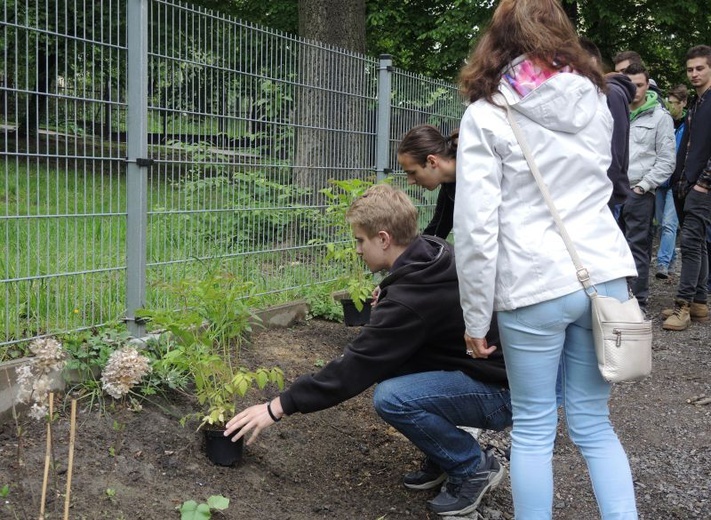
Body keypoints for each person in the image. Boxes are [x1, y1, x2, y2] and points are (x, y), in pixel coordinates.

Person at [453, 1, 639, 518]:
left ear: (497, 39)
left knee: (534, 427)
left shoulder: (486, 115)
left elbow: (475, 230)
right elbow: (604, 183)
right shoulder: (597, 98)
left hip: (534, 282)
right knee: (594, 425)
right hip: (603, 275)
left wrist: (474, 316)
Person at [224, 184, 512, 517]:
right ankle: (443, 454)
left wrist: (278, 406)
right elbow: (413, 309)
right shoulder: (432, 251)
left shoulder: (411, 298)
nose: (358, 250)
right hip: (496, 372)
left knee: (393, 398)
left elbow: (354, 366)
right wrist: (389, 292)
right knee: (395, 368)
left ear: (385, 239)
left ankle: (472, 465)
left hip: (500, 393)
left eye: (360, 240)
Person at [618, 62, 675, 311]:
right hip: (613, 192)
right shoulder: (615, 111)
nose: (635, 90)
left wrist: (643, 187)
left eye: (639, 85)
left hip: (639, 192)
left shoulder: (660, 117)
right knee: (611, 247)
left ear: (647, 85)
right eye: (630, 84)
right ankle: (616, 301)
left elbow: (666, 160)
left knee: (637, 248)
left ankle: (637, 302)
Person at [663, 45, 711, 330]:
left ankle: (683, 306)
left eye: (700, 68)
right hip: (684, 186)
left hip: (701, 188)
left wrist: (704, 185)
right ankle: (699, 302)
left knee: (691, 245)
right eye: (690, 69)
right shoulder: (696, 103)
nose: (694, 74)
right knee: (700, 245)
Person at [579, 37, 636, 212]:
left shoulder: (610, 94)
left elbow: (615, 150)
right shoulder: (597, 92)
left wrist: (600, 193)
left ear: (593, 61)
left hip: (602, 195)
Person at [397, 125, 458, 238]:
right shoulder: (450, 183)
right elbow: (436, 231)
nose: (410, 181)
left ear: (432, 161)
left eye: (413, 172)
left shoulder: (475, 176)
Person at [655, 84, 688, 279]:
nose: (671, 106)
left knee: (669, 223)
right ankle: (672, 260)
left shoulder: (688, 124)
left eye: (675, 103)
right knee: (661, 224)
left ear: (683, 103)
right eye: (669, 102)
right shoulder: (664, 120)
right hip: (660, 180)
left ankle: (662, 263)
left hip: (676, 182)